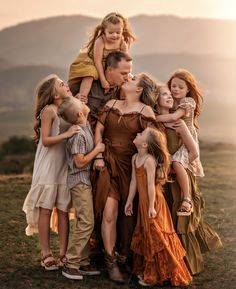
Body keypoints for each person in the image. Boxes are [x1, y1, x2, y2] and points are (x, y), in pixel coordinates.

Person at [93, 73, 158, 283]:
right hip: (107, 163)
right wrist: (99, 155)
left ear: (139, 89)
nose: (128, 78)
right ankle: (110, 262)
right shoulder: (111, 103)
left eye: (133, 79)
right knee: (109, 212)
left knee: (127, 216)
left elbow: (153, 142)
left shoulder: (145, 111)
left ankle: (124, 256)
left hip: (131, 167)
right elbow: (99, 129)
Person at [156, 80, 223, 275]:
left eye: (173, 92)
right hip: (163, 178)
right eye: (166, 93)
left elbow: (193, 153)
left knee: (181, 221)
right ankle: (166, 259)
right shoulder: (158, 121)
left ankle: (185, 262)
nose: (171, 94)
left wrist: (178, 166)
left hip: (179, 174)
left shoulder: (179, 121)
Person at [22, 75, 80, 270]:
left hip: (64, 165)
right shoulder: (49, 110)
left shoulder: (67, 109)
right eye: (62, 85)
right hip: (48, 166)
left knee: (63, 210)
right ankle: (46, 253)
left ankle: (63, 254)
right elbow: (46, 140)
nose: (66, 86)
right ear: (55, 94)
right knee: (46, 209)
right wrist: (67, 134)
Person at [125, 127, 192, 287]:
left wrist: (151, 207)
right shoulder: (135, 157)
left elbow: (150, 186)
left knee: (157, 236)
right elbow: (134, 181)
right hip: (143, 203)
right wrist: (129, 201)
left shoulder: (149, 160)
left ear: (145, 145)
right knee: (147, 234)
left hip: (154, 203)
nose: (137, 133)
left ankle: (159, 274)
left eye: (141, 134)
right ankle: (150, 271)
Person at [57, 97, 104, 280]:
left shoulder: (84, 126)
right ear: (79, 113)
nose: (83, 103)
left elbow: (88, 111)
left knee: (85, 222)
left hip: (85, 182)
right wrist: (98, 149)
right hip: (79, 182)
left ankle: (83, 262)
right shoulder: (78, 135)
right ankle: (71, 263)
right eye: (80, 104)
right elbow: (79, 162)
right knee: (86, 222)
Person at [156, 69, 204, 216]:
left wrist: (152, 117)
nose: (176, 89)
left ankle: (187, 198)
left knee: (177, 163)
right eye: (173, 86)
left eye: (180, 87)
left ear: (188, 89)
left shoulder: (187, 102)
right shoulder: (170, 100)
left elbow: (174, 117)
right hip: (175, 138)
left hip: (185, 139)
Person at [68, 12, 135, 100]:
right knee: (90, 73)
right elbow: (97, 61)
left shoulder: (122, 44)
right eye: (111, 32)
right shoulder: (100, 41)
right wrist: (103, 80)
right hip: (92, 61)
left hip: (109, 64)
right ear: (104, 31)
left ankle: (123, 98)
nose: (115, 35)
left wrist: (126, 74)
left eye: (118, 32)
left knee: (129, 77)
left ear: (122, 31)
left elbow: (124, 63)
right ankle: (83, 97)